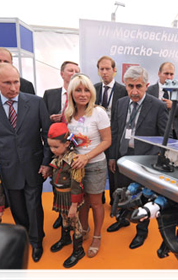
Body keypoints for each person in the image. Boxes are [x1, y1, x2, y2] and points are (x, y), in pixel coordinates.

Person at [0, 63, 52, 262]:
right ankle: (25, 235)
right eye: (7, 83)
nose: (13, 88)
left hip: (34, 165)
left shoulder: (36, 103)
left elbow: (47, 135)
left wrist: (47, 162)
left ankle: (36, 242)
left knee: (34, 204)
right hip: (8, 168)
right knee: (18, 208)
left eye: (16, 82)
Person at [108, 66, 168, 249]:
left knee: (142, 196)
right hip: (123, 156)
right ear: (125, 85)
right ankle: (122, 219)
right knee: (122, 190)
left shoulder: (158, 106)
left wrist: (152, 161)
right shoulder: (121, 102)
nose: (134, 91)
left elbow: (164, 138)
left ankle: (141, 231)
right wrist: (112, 157)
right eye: (130, 86)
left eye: (139, 86)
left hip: (145, 160)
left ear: (147, 86)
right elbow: (115, 130)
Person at [65, 73, 111, 258]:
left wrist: (87, 157)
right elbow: (69, 140)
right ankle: (84, 230)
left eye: (86, 90)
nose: (83, 94)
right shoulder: (68, 114)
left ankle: (97, 235)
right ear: (72, 93)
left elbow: (107, 141)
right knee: (81, 202)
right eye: (78, 90)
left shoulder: (98, 112)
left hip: (95, 165)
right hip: (76, 166)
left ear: (91, 92)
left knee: (95, 203)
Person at [43, 60, 80, 230]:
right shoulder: (49, 94)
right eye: (70, 70)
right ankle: (60, 214)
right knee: (57, 182)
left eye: (77, 71)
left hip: (75, 147)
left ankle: (76, 217)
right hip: (54, 147)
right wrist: (51, 120)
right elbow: (42, 120)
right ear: (62, 73)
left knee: (74, 183)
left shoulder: (81, 95)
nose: (73, 73)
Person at [47, 123, 86, 268]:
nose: (53, 150)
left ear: (67, 143)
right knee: (63, 218)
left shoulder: (74, 160)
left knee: (75, 222)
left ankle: (78, 250)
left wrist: (74, 205)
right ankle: (65, 239)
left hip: (71, 198)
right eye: (50, 147)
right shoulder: (59, 156)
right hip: (60, 196)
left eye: (56, 147)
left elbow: (77, 185)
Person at [94, 56, 127, 205]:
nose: (105, 72)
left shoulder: (123, 90)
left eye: (108, 69)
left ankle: (115, 203)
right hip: (96, 138)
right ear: (98, 71)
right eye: (102, 69)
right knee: (96, 171)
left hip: (115, 137)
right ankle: (97, 200)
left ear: (114, 70)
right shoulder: (93, 89)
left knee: (114, 172)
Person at [147, 62, 178, 140]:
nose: (169, 77)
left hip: (173, 135)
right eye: (166, 73)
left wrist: (173, 106)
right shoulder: (149, 91)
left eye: (171, 74)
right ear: (159, 73)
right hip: (153, 133)